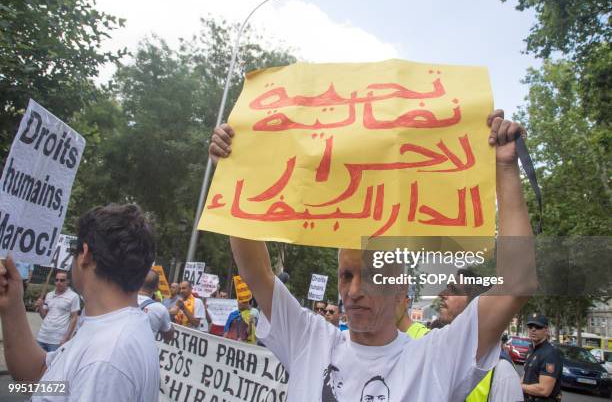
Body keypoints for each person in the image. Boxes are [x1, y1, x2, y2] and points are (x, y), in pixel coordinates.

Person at [208, 109, 537, 401]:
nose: (353, 291)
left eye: (371, 275)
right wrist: (236, 170)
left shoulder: (436, 357)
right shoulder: (309, 339)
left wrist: (506, 167)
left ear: (400, 289)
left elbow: (517, 285)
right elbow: (256, 270)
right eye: (346, 275)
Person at [0, 203, 159, 401]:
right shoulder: (110, 330)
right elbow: (39, 376)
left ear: (85, 254)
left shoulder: (106, 358)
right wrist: (11, 305)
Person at [437, 269, 524, 402]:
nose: (442, 294)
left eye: (453, 290)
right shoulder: (438, 353)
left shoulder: (502, 373)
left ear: (475, 305)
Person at [33, 270, 80, 352]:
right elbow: (44, 316)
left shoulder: (73, 296)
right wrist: (40, 307)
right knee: (37, 364)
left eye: (62, 280)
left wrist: (66, 338)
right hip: (42, 336)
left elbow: (74, 318)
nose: (59, 282)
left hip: (57, 340)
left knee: (53, 364)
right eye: (57, 280)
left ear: (67, 281)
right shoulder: (49, 295)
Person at [521, 314, 563, 402]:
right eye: (530, 326)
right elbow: (525, 376)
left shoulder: (550, 354)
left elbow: (544, 390)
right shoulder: (531, 350)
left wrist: (516, 387)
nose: (533, 329)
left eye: (538, 327)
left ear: (546, 330)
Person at [138, 270, 174, 342]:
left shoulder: (124, 299)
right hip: (144, 351)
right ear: (157, 288)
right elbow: (168, 337)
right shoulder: (160, 309)